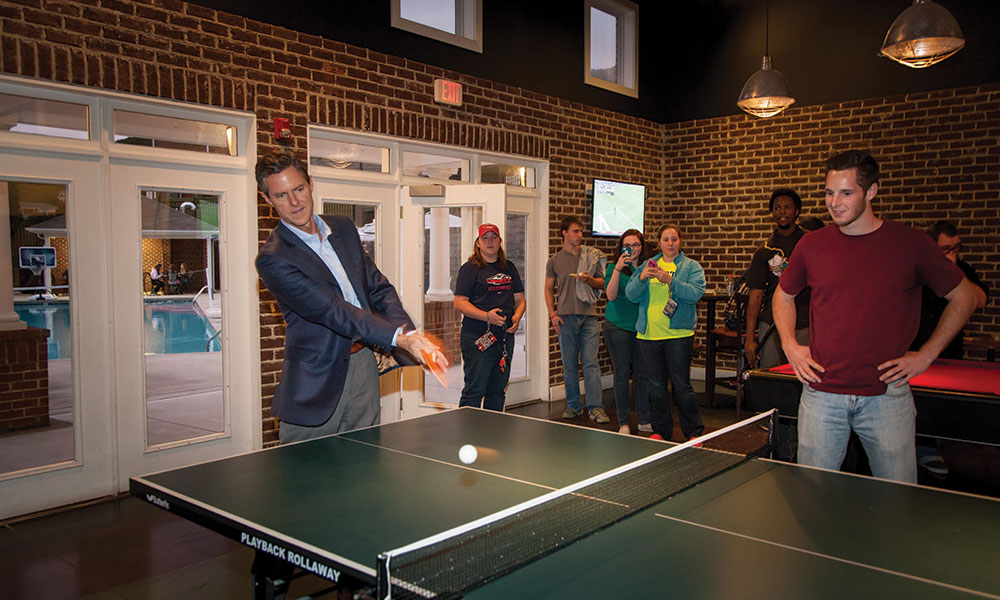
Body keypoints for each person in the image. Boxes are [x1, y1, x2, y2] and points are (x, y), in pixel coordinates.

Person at [773, 150, 978, 483]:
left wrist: (926, 355)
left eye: (846, 192)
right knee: (813, 498)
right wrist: (790, 345)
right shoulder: (811, 245)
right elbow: (784, 294)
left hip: (887, 397)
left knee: (894, 500)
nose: (834, 202)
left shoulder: (911, 243)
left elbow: (964, 297)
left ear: (871, 192)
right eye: (828, 192)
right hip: (822, 394)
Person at [254, 149, 446, 444]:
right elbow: (335, 311)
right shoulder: (273, 259)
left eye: (299, 189)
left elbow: (378, 287)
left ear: (311, 183)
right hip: (315, 376)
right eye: (281, 195)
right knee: (304, 474)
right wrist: (399, 339)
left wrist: (409, 334)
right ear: (267, 199)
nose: (294, 202)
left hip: (362, 365)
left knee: (364, 460)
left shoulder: (343, 227)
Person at [910, 221, 988, 477]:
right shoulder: (918, 268)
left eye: (956, 248)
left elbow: (979, 299)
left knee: (943, 407)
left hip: (948, 348)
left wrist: (953, 271)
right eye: (945, 249)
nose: (952, 253)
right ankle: (920, 448)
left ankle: (933, 448)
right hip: (915, 346)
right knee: (918, 402)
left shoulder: (961, 270)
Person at [625, 224, 706, 441]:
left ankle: (694, 432)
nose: (670, 244)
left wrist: (670, 280)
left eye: (674, 239)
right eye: (666, 240)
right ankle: (661, 431)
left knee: (681, 386)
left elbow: (695, 293)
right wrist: (642, 278)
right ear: (659, 242)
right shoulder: (647, 265)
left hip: (678, 336)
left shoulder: (691, 267)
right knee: (656, 387)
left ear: (680, 241)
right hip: (649, 336)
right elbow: (630, 295)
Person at [453, 223, 526, 411]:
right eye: (485, 238)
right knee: (475, 389)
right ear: (478, 243)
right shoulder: (469, 269)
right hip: (477, 337)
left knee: (497, 389)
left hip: (504, 338)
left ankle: (494, 434)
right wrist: (487, 317)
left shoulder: (508, 267)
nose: (490, 242)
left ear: (500, 241)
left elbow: (520, 299)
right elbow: (459, 302)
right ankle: (468, 434)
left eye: (494, 237)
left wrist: (517, 317)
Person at [545, 216, 610, 424]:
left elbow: (603, 284)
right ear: (564, 233)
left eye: (581, 231)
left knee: (591, 364)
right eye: (575, 231)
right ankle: (573, 406)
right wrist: (552, 315)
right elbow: (548, 290)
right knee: (569, 365)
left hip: (589, 317)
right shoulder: (554, 261)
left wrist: (588, 280)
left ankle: (596, 408)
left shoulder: (590, 256)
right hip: (565, 318)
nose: (579, 235)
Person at [744, 189, 810, 369]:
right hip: (771, 323)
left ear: (797, 211)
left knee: (804, 378)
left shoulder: (810, 244)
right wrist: (750, 338)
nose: (782, 212)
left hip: (805, 322)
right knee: (771, 379)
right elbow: (755, 296)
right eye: (778, 208)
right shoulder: (764, 251)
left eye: (788, 207)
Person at [603, 229, 651, 434]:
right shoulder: (614, 267)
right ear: (621, 247)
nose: (631, 249)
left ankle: (644, 419)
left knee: (642, 375)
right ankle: (623, 422)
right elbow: (610, 295)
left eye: (635, 245)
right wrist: (617, 270)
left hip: (641, 327)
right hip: (618, 326)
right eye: (627, 245)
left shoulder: (648, 267)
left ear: (642, 247)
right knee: (621, 374)